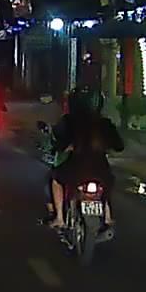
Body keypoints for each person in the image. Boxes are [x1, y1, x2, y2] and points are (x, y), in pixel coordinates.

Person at [47, 85, 124, 230]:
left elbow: (58, 144)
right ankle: (107, 216)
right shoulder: (105, 123)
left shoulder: (68, 121)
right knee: (106, 184)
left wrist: (66, 146)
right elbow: (119, 146)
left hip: (74, 169)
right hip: (101, 170)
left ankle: (59, 218)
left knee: (56, 180)